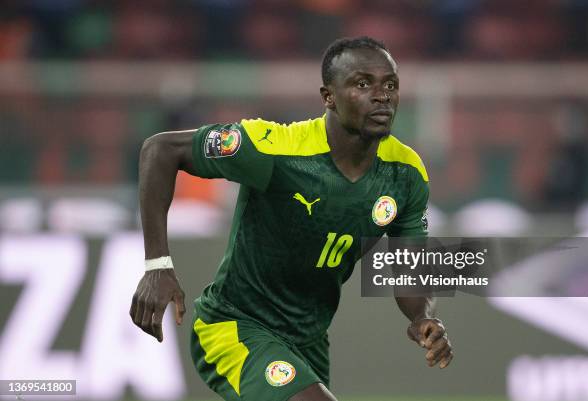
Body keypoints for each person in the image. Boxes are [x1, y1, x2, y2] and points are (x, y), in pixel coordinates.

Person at [130, 36, 453, 401]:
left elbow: (409, 268)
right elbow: (159, 150)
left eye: (390, 85)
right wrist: (158, 265)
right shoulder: (276, 149)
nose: (382, 96)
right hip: (234, 327)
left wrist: (422, 317)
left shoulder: (406, 172)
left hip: (307, 343)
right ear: (328, 96)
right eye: (363, 84)